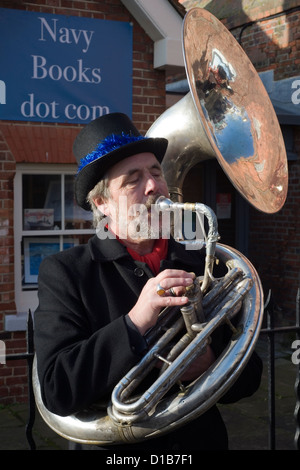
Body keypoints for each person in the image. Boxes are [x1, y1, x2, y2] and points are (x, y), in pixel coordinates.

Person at [34, 113, 263, 451]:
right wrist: (136, 320)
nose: (154, 185)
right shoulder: (66, 273)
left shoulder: (202, 260)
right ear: (102, 203)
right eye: (133, 179)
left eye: (156, 172)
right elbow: (58, 389)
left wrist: (212, 361)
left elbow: (251, 376)